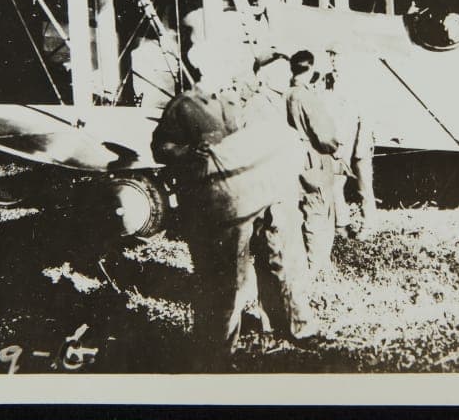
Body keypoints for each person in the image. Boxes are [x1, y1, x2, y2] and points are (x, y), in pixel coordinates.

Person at [151, 42, 317, 371]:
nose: (230, 69)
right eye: (224, 62)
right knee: (218, 280)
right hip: (209, 209)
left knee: (253, 271)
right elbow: (161, 148)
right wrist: (188, 153)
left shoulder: (229, 104)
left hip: (244, 202)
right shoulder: (183, 106)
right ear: (205, 68)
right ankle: (214, 355)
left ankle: (250, 338)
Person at [285, 50, 343, 274]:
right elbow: (324, 135)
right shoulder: (306, 96)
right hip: (314, 158)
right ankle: (317, 264)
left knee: (303, 209)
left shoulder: (286, 93)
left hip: (295, 158)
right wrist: (336, 148)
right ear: (309, 70)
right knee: (319, 209)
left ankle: (309, 260)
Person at [323, 54, 378, 241]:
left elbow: (367, 118)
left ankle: (369, 224)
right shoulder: (329, 83)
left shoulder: (360, 85)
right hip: (340, 143)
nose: (334, 63)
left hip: (359, 141)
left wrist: (363, 146)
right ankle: (342, 224)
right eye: (332, 59)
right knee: (337, 183)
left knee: (364, 186)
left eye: (337, 58)